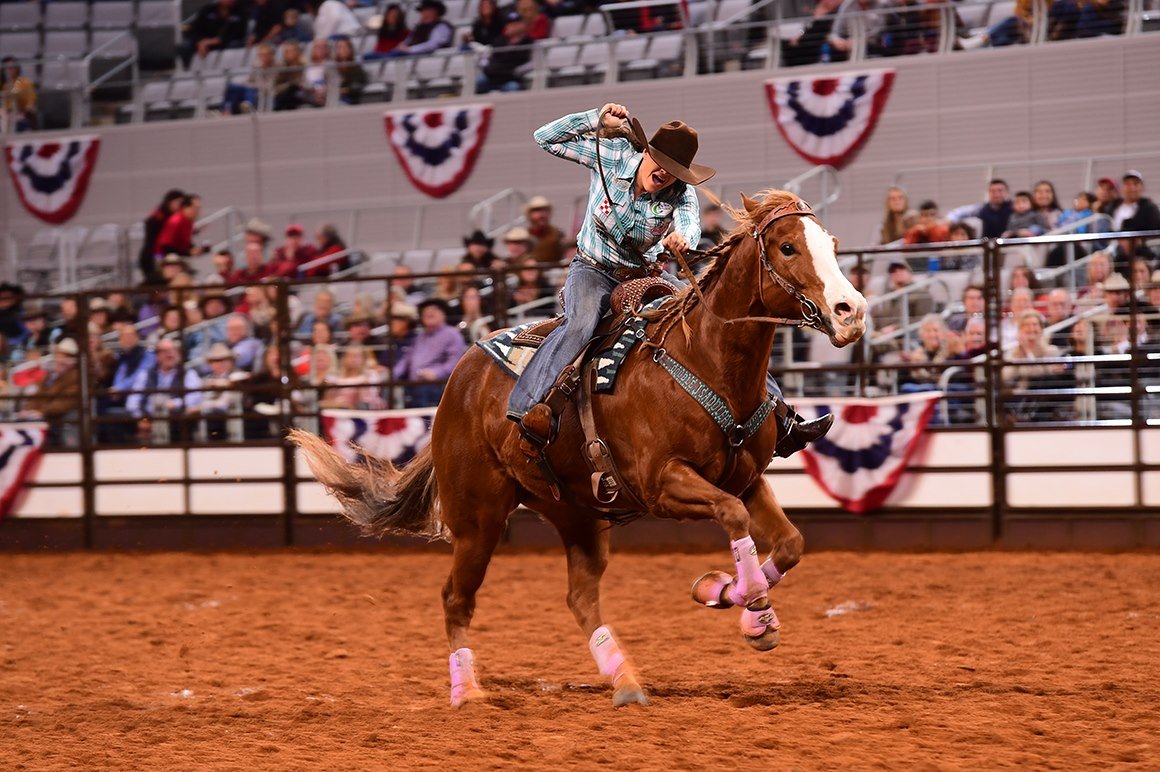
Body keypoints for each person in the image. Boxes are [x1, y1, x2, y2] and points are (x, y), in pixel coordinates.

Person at [506, 103, 831, 456]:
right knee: (581, 323)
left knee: (715, 319)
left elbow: (689, 223)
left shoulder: (680, 194)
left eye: (675, 170)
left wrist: (682, 241)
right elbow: (545, 139)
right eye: (661, 162)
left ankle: (782, 420)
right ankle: (528, 406)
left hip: (646, 275)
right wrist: (594, 118)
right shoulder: (612, 153)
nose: (665, 173)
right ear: (646, 151)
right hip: (592, 270)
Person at [393, 298, 466, 407]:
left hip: (437, 386)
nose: (429, 312)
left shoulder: (452, 335)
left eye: (434, 309)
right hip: (413, 386)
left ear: (443, 314)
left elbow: (455, 362)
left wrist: (436, 373)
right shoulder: (420, 337)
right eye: (425, 311)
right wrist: (391, 374)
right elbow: (406, 360)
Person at [127, 338, 204, 442]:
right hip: (149, 418)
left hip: (175, 419)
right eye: (165, 351)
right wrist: (141, 418)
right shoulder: (146, 374)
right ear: (157, 356)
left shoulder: (188, 374)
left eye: (173, 350)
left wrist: (175, 403)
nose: (170, 354)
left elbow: (195, 397)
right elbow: (133, 400)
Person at [475, 11, 534, 94]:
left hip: (511, 78)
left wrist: (517, 71)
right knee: (480, 81)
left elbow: (534, 63)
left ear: (523, 25)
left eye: (516, 23)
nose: (513, 26)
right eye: (510, 24)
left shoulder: (529, 42)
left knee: (513, 87)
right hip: (492, 76)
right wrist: (487, 67)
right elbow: (485, 58)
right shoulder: (499, 41)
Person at [180, 0, 247, 68]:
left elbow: (239, 33)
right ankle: (187, 69)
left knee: (234, 45)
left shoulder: (240, 12)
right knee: (185, 46)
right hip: (205, 41)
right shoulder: (208, 10)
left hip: (226, 41)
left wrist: (218, 40)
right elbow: (195, 29)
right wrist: (199, 41)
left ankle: (229, 69)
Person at [138, 190, 184, 283]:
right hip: (153, 255)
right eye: (178, 202)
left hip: (159, 254)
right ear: (169, 202)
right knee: (155, 282)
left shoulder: (172, 217)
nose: (180, 206)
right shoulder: (158, 216)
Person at [948, 179, 1014, 240]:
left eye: (1000, 190)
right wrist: (950, 220)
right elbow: (960, 212)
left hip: (1009, 245)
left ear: (1007, 192)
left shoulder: (1014, 207)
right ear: (989, 193)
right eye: (993, 191)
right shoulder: (982, 208)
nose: (996, 194)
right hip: (987, 245)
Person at [524, 195, 568, 263]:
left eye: (545, 211)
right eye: (537, 211)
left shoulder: (558, 233)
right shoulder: (524, 236)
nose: (542, 215)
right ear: (529, 214)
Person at [1, 57, 37, 133]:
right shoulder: (4, 85)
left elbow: (30, 104)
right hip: (6, 117)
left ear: (17, 68)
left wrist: (21, 114)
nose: (8, 71)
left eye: (10, 68)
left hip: (21, 116)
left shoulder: (23, 82)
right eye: (5, 68)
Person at [333, 36, 367, 105]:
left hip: (349, 99)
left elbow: (357, 87)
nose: (343, 50)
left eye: (345, 47)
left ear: (350, 49)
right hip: (331, 98)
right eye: (339, 47)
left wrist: (342, 91)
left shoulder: (355, 67)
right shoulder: (333, 67)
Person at [273, 40, 305, 111]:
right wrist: (287, 86)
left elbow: (303, 81)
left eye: (291, 51)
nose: (288, 54)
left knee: (293, 88)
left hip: (301, 91)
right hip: (284, 92)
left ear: (297, 52)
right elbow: (276, 85)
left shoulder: (303, 65)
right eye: (286, 51)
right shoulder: (282, 68)